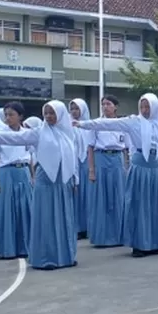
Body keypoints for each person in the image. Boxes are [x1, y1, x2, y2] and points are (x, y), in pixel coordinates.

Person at [0, 101, 78, 270]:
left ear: (61, 114)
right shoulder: (38, 133)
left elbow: (72, 158)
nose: (48, 116)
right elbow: (14, 138)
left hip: (63, 181)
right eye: (46, 113)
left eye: (52, 113)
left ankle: (66, 256)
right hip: (46, 181)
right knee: (46, 218)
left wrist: (75, 179)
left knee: (64, 218)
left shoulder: (68, 133)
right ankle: (46, 257)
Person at [75, 93, 158, 258]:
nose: (145, 110)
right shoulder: (134, 122)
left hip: (156, 168)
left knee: (156, 205)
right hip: (141, 166)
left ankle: (156, 242)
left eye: (148, 106)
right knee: (139, 205)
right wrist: (82, 124)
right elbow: (106, 123)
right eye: (142, 106)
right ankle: (140, 244)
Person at [0, 101, 32, 259]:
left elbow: (30, 156)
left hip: (23, 171)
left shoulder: (26, 133)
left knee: (24, 209)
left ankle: (25, 246)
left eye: (11, 114)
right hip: (6, 173)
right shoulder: (0, 133)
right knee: (7, 210)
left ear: (20, 116)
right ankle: (7, 247)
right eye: (6, 115)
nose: (8, 118)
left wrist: (32, 176)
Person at [87, 95, 128, 248]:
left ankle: (118, 235)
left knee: (118, 197)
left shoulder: (122, 124)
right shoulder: (96, 124)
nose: (105, 107)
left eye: (108, 104)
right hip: (101, 158)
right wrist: (92, 169)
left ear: (115, 107)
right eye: (103, 104)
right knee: (102, 197)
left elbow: (126, 149)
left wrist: (126, 167)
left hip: (116, 159)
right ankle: (102, 237)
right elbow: (90, 147)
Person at [69, 99, 93, 240]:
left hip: (87, 164)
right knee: (77, 197)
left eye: (77, 108)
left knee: (89, 196)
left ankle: (89, 226)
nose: (74, 111)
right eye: (72, 109)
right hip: (75, 163)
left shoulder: (89, 126)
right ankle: (77, 227)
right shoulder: (69, 127)